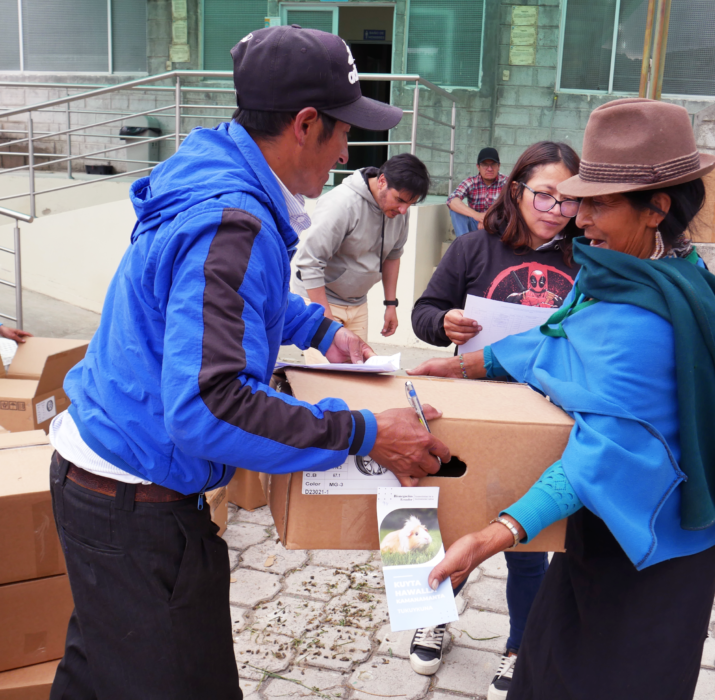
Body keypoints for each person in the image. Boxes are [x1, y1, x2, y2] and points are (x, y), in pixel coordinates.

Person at [47, 26, 451, 700]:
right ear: (305, 124)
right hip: (135, 507)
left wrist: (319, 328)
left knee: (95, 679)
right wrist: (362, 431)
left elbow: (229, 300)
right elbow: (210, 404)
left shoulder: (217, 180)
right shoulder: (229, 221)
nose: (349, 151)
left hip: (103, 479)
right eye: (345, 131)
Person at [407, 98, 715, 699]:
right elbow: (560, 338)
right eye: (579, 200)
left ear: (657, 207)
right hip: (610, 523)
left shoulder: (647, 319)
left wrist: (495, 533)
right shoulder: (639, 271)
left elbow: (599, 456)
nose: (579, 219)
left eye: (599, 203)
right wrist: (477, 364)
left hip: (652, 545)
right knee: (550, 662)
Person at [409, 142, 582, 700]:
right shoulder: (472, 248)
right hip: (470, 410)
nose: (556, 209)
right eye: (544, 195)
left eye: (569, 199)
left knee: (526, 540)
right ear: (515, 189)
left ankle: (519, 648)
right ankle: (432, 612)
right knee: (449, 522)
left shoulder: (585, 260)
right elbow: (423, 313)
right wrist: (447, 323)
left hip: (543, 416)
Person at [293, 153, 430, 363]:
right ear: (382, 180)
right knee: (326, 381)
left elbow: (393, 255)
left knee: (356, 377)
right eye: (400, 200)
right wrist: (328, 325)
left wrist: (391, 304)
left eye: (410, 204)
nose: (403, 210)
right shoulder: (342, 204)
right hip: (320, 300)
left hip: (357, 304)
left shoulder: (400, 211)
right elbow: (309, 263)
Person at [447, 147, 507, 236]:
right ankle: (465, 245)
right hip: (475, 225)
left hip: (497, 224)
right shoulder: (471, 182)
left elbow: (516, 203)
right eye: (485, 165)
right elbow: (451, 200)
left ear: (499, 166)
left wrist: (487, 218)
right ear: (478, 167)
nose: (489, 169)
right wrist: (477, 216)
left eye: (493, 164)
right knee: (455, 211)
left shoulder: (507, 182)